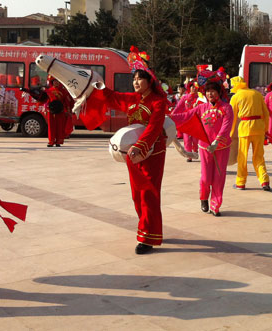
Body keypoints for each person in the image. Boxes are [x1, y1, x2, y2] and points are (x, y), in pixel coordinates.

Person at [79, 46, 167, 255]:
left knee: (149, 194)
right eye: (134, 79)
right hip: (134, 154)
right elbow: (111, 97)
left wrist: (140, 147)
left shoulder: (158, 101)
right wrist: (94, 85)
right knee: (137, 195)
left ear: (150, 81)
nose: (135, 82)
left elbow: (155, 127)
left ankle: (147, 236)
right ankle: (149, 226)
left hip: (152, 153)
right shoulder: (132, 99)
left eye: (140, 78)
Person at [170, 79, 233, 216]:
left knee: (219, 177)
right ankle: (204, 197)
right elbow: (186, 116)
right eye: (208, 91)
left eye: (213, 91)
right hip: (204, 147)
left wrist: (216, 141)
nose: (210, 93)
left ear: (219, 92)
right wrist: (169, 118)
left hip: (221, 148)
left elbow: (226, 126)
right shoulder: (201, 108)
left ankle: (215, 205)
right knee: (205, 178)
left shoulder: (226, 108)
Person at [229, 76, 271, 191]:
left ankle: (240, 182)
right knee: (259, 156)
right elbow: (266, 114)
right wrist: (266, 130)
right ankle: (264, 181)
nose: (232, 87)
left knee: (242, 156)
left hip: (245, 129)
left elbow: (231, 118)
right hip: (259, 128)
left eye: (232, 85)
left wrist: (230, 133)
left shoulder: (236, 97)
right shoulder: (256, 94)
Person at [172, 80, 201, 162]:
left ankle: (195, 151)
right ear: (189, 88)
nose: (194, 89)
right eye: (192, 87)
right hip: (186, 120)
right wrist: (172, 115)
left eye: (195, 87)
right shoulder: (185, 97)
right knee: (187, 138)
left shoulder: (200, 97)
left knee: (195, 139)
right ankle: (189, 155)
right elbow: (178, 107)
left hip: (196, 121)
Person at [45, 77, 68, 147]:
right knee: (51, 126)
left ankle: (58, 141)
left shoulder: (64, 91)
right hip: (51, 111)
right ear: (52, 82)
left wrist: (67, 110)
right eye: (55, 81)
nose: (56, 82)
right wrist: (46, 107)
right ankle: (51, 141)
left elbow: (66, 102)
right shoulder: (49, 91)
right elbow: (46, 101)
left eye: (58, 81)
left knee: (60, 126)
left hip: (60, 111)